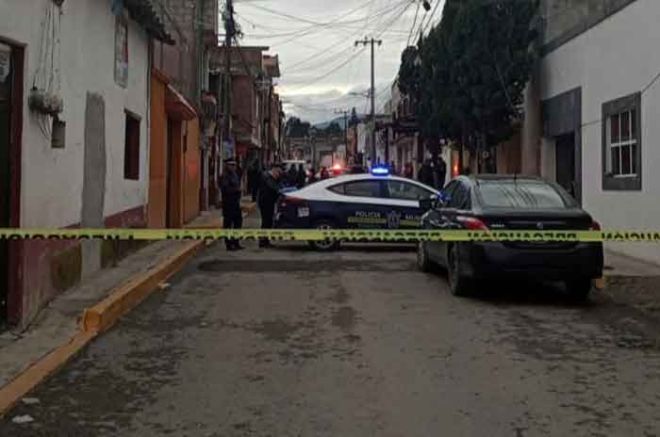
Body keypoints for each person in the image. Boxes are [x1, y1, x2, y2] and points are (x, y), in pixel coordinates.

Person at [220, 158, 243, 251]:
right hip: (228, 203)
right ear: (227, 166)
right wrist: (236, 190)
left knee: (238, 222)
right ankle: (229, 244)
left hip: (235, 203)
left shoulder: (235, 175)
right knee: (228, 224)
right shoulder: (224, 176)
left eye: (234, 165)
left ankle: (236, 242)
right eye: (231, 165)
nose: (233, 167)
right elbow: (225, 190)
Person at [257, 165, 283, 248]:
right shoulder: (267, 177)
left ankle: (266, 240)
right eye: (278, 173)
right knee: (266, 222)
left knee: (269, 222)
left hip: (269, 202)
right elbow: (274, 188)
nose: (278, 176)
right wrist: (280, 190)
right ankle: (262, 241)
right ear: (274, 170)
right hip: (265, 203)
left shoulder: (270, 177)